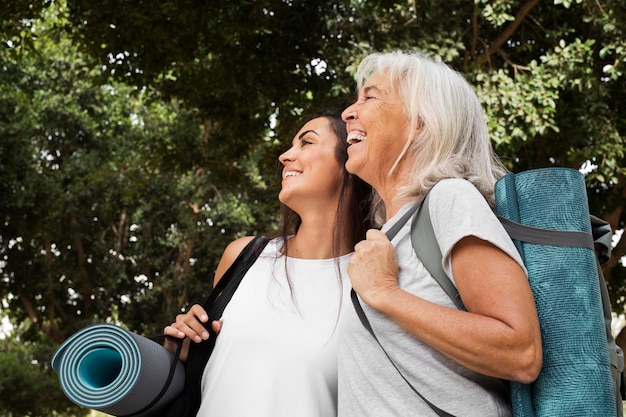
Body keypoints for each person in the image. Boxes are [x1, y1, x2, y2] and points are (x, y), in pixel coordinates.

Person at [337, 50, 543, 416]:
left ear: (420, 122)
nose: (348, 112)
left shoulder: (450, 198)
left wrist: (386, 293)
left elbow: (520, 352)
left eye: (370, 96)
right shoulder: (391, 234)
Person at [163, 111, 372, 417]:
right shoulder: (243, 255)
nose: (286, 156)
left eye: (307, 143)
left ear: (350, 162)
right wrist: (183, 348)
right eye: (290, 146)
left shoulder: (372, 279)